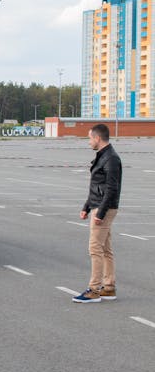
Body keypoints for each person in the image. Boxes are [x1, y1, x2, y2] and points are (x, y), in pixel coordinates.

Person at [73, 123, 122, 303]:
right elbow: (96, 186)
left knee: (95, 248)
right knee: (105, 249)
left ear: (97, 138)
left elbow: (111, 189)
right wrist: (86, 207)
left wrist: (100, 213)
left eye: (89, 138)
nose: (88, 142)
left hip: (104, 208)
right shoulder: (103, 156)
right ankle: (108, 287)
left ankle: (94, 290)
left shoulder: (111, 158)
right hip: (98, 205)